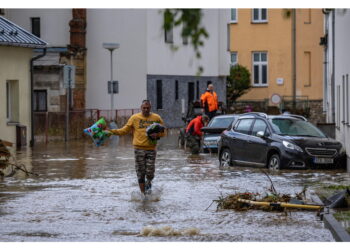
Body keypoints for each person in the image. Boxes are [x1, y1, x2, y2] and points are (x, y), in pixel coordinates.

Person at [108, 100, 165, 194]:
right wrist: (111, 131)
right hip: (139, 149)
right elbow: (124, 130)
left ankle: (149, 182)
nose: (146, 110)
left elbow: (164, 132)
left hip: (151, 149)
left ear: (150, 108)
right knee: (140, 172)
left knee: (150, 173)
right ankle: (143, 195)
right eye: (144, 108)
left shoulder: (156, 118)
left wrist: (157, 135)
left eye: (148, 108)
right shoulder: (134, 118)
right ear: (141, 108)